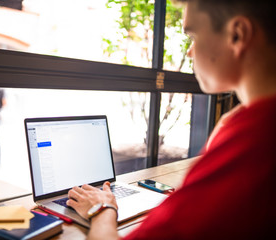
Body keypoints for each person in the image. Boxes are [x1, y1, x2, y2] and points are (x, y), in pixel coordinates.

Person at [66, 0, 276, 239]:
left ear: (237, 35)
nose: (189, 51)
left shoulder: (254, 139)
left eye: (193, 37)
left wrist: (103, 207)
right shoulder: (245, 124)